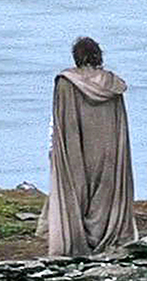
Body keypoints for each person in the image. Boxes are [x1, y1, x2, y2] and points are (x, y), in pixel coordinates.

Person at [38, 36, 138, 257]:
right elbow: (119, 123)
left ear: (76, 57)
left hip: (76, 146)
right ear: (98, 56)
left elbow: (61, 121)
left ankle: (75, 240)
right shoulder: (112, 85)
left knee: (75, 189)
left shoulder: (66, 83)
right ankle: (105, 238)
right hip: (108, 149)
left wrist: (55, 149)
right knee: (106, 193)